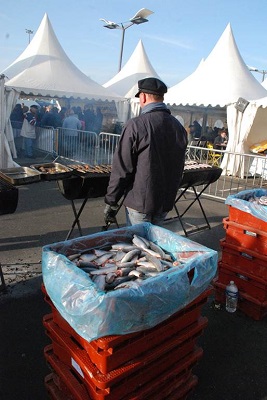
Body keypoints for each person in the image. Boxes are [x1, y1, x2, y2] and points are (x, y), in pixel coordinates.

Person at [104, 77, 188, 227]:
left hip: (140, 202)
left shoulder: (136, 125)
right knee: (155, 246)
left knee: (140, 246)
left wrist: (111, 200)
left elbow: (122, 168)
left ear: (142, 96)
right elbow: (179, 166)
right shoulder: (178, 127)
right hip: (164, 200)